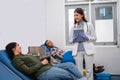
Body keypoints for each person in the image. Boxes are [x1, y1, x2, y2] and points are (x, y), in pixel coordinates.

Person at [5, 42, 87, 80]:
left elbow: (34, 60)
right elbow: (28, 71)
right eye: (18, 45)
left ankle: (82, 78)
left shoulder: (23, 55)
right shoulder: (16, 60)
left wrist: (35, 54)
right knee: (67, 73)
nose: (20, 46)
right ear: (13, 49)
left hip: (48, 67)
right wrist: (41, 63)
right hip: (42, 73)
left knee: (70, 65)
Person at [69, 8, 96, 80]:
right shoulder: (73, 27)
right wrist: (73, 39)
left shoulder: (89, 25)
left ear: (82, 15)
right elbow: (70, 40)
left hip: (88, 50)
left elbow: (94, 38)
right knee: (79, 70)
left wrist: (87, 37)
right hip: (77, 51)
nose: (75, 17)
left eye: (77, 15)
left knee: (89, 70)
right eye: (74, 15)